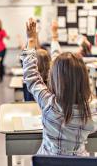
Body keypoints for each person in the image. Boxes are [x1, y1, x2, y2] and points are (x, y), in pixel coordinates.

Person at [21, 18, 97, 156]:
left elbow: (31, 75)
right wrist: (54, 36)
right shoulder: (91, 110)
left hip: (47, 161)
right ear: (84, 79)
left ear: (55, 78)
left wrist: (31, 40)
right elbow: (55, 60)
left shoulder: (49, 104)